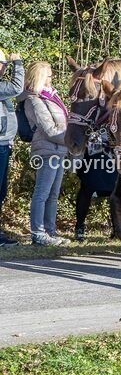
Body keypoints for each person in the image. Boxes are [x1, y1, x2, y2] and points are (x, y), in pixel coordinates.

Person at [21, 61, 70, 246]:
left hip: (59, 150)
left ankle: (50, 231)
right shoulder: (34, 100)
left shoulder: (51, 96)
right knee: (42, 193)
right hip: (47, 150)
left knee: (53, 194)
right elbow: (49, 129)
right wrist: (71, 140)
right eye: (49, 74)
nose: (52, 77)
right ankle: (38, 233)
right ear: (40, 76)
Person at [0, 49, 24, 246]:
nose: (4, 68)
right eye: (3, 64)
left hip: (4, 144)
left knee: (1, 191)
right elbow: (17, 87)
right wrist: (18, 63)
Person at [73, 150, 117, 241]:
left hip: (113, 154)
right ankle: (80, 227)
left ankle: (117, 229)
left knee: (115, 193)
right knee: (86, 189)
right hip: (92, 152)